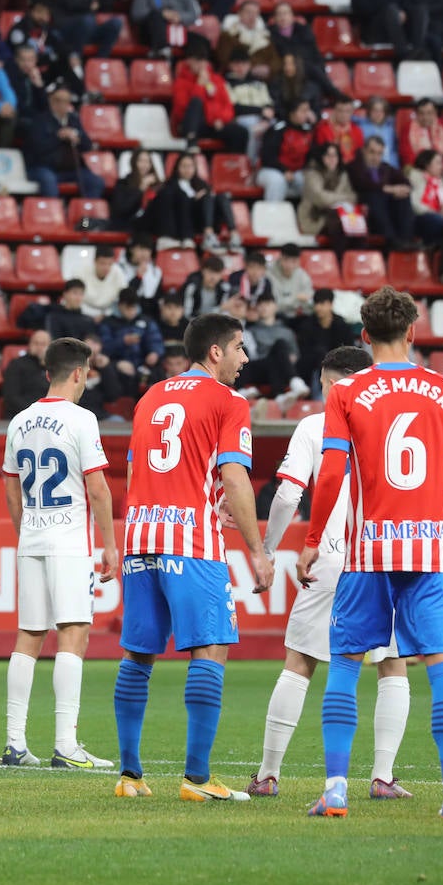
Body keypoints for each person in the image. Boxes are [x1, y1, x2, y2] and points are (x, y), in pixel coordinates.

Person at [297, 285, 443, 820]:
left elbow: (332, 472)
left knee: (346, 664)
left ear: (364, 336)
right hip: (430, 552)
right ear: (411, 331)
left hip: (366, 551)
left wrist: (313, 542)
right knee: (442, 668)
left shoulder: (345, 393)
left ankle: (335, 789)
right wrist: (436, 483)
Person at [116, 312, 273, 801]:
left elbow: (135, 472)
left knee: (138, 654)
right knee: (210, 649)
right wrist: (257, 549)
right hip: (192, 543)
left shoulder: (150, 397)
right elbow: (235, 476)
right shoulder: (229, 402)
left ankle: (130, 776)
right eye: (240, 348)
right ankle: (197, 780)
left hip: (140, 536)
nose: (245, 359)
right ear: (215, 352)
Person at [247, 346, 413, 800]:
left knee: (301, 661)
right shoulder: (394, 421)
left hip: (331, 555)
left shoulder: (315, 426)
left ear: (329, 382)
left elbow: (286, 496)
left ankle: (267, 774)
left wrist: (266, 548)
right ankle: (382, 777)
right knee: (392, 665)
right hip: (386, 555)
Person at [1, 337, 117, 770]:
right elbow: (98, 488)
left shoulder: (19, 420)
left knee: (28, 636)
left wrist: (24, 531)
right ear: (78, 374)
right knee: (73, 633)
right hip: (68, 540)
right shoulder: (82, 419)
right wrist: (110, 543)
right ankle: (66, 745)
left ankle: (14, 742)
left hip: (32, 537)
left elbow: (10, 485)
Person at [150, 151, 241, 252]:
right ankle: (208, 235)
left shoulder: (201, 184)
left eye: (190, 166)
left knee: (222, 197)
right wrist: (194, 200)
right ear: (177, 168)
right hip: (187, 222)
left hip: (205, 219)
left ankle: (233, 234)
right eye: (183, 166)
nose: (187, 170)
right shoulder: (170, 186)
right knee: (207, 197)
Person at [24, 86, 102, 200]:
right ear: (51, 101)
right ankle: (54, 215)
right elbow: (37, 148)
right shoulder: (39, 120)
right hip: (44, 167)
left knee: (95, 181)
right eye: (58, 100)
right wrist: (58, 136)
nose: (62, 104)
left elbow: (88, 145)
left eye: (66, 101)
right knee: (48, 181)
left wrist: (78, 138)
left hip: (71, 169)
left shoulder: (73, 119)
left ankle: (87, 216)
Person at [237, 292, 309, 412]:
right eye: (260, 304)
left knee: (280, 346)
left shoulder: (286, 332)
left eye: (267, 304)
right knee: (268, 354)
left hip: (281, 368)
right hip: (258, 368)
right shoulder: (251, 330)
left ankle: (285, 391)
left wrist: (286, 357)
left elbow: (295, 355)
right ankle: (293, 383)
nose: (264, 307)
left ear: (275, 306)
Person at [172, 42, 248, 154]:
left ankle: (231, 165)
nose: (201, 65)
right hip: (190, 125)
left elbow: (228, 107)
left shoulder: (217, 80)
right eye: (197, 61)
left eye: (204, 60)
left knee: (240, 132)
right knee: (196, 102)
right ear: (189, 61)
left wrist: (220, 119)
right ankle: (191, 141)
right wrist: (199, 86)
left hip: (213, 125)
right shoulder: (181, 82)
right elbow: (181, 111)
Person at [348, 136, 414, 249]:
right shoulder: (354, 166)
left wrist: (402, 189)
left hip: (387, 210)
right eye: (372, 152)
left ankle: (406, 240)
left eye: (379, 154)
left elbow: (405, 182)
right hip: (365, 209)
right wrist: (387, 189)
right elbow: (362, 184)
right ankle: (391, 240)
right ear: (364, 150)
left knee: (402, 198)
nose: (375, 157)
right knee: (374, 196)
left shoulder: (385, 167)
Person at [99, 290, 164, 395]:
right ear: (119, 305)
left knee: (157, 373)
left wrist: (154, 353)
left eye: (133, 307)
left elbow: (155, 339)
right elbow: (103, 347)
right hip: (117, 364)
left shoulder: (146, 321)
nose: (131, 311)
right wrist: (122, 341)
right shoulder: (108, 323)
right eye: (127, 308)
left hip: (142, 364)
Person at [293, 288, 356, 391]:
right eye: (316, 304)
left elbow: (349, 351)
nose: (318, 307)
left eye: (322, 303)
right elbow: (304, 351)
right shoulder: (307, 325)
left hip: (338, 367)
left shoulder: (342, 326)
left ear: (330, 304)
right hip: (311, 367)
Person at [298, 143, 357, 244]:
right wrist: (343, 198)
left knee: (355, 225)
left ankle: (354, 257)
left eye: (335, 155)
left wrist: (335, 199)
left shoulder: (342, 175)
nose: (332, 159)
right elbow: (321, 199)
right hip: (314, 218)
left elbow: (353, 198)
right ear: (321, 157)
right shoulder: (312, 174)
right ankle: (341, 258)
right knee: (338, 222)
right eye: (328, 155)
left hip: (337, 217)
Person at [258, 100, 314, 202]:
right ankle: (272, 215)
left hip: (296, 172)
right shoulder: (277, 129)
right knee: (277, 181)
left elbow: (311, 156)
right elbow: (267, 157)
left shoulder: (308, 130)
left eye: (308, 110)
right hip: (271, 170)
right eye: (303, 111)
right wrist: (284, 170)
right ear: (292, 113)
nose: (307, 114)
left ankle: (306, 216)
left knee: (310, 180)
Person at [131, 0, 200, 57]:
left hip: (178, 30)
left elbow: (193, 14)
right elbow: (137, 14)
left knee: (200, 43)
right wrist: (162, 14)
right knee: (156, 17)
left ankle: (196, 68)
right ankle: (161, 54)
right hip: (152, 33)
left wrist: (179, 16)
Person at [350, 0, 417, 59]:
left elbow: (406, 5)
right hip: (373, 33)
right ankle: (404, 54)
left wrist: (403, 13)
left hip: (397, 31)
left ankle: (418, 49)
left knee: (419, 10)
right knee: (391, 10)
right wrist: (390, 11)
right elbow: (362, 12)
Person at [111, 150, 162, 234]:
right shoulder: (123, 183)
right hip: (128, 225)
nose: (144, 165)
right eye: (140, 161)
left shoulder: (158, 186)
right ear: (133, 162)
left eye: (147, 161)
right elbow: (121, 210)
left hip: (152, 226)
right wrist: (141, 188)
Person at [400, 98, 443, 169]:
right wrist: (424, 170)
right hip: (418, 169)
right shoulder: (408, 128)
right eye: (421, 113)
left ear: (435, 112)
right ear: (416, 113)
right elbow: (407, 155)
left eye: (429, 113)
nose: (425, 117)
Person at [3, 329, 50, 417]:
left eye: (43, 344)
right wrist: (34, 413)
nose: (39, 347)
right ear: (29, 344)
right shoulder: (16, 365)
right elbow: (11, 397)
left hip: (48, 417)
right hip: (21, 415)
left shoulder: (54, 367)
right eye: (36, 343)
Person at [76, 245, 127, 319]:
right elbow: (74, 297)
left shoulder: (119, 273)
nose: (106, 268)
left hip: (108, 315)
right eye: (102, 263)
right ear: (95, 261)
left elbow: (122, 300)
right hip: (82, 313)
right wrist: (92, 315)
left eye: (110, 264)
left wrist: (105, 315)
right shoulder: (80, 272)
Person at [267, 243, 314, 319]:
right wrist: (296, 299)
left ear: (299, 261)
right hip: (276, 317)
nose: (289, 265)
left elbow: (309, 301)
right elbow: (274, 306)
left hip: (298, 316)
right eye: (286, 260)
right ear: (280, 258)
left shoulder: (302, 275)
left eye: (294, 261)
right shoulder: (268, 275)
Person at [353, 96, 399, 168]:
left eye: (381, 111)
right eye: (375, 110)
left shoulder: (390, 130)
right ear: (369, 112)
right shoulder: (361, 128)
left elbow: (393, 152)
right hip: (368, 167)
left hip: (389, 168)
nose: (378, 114)